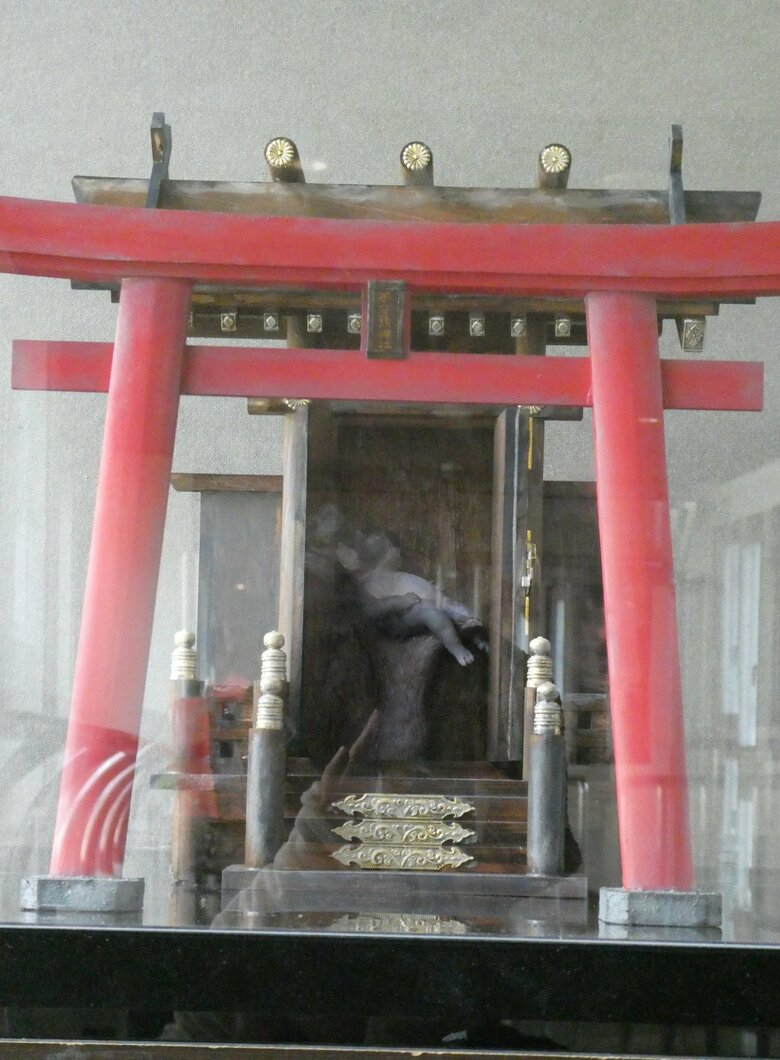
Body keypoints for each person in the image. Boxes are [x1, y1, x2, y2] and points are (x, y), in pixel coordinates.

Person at [338, 529, 487, 666]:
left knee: (463, 611)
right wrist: (399, 602)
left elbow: (405, 582)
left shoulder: (389, 572)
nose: (396, 552)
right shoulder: (367, 582)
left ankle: (478, 638)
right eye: (390, 548)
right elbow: (370, 610)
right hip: (402, 616)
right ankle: (455, 647)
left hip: (430, 603)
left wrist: (429, 589)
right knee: (430, 611)